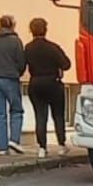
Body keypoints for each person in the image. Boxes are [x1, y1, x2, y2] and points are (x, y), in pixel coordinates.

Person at [24, 18, 72, 157]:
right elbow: (66, 64)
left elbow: (22, 65)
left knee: (40, 115)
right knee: (58, 115)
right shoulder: (53, 47)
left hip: (36, 83)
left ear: (31, 31)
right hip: (53, 82)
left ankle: (42, 148)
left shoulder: (28, 48)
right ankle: (62, 145)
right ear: (45, 30)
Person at [0, 15, 27, 154]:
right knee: (16, 110)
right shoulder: (15, 41)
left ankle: (1, 147)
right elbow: (21, 62)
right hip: (10, 79)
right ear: (12, 25)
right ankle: (14, 141)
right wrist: (18, 72)